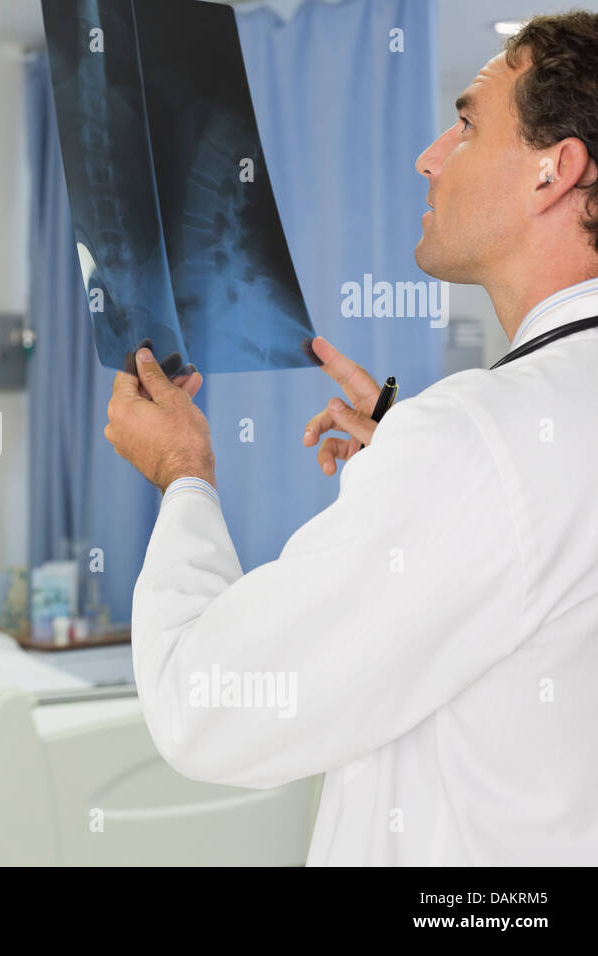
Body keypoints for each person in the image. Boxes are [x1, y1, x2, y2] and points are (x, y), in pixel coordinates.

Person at [104, 12, 598, 865]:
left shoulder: (481, 437)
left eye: (468, 122)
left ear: (556, 170)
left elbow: (209, 703)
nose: (430, 157)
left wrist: (183, 475)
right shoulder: (518, 426)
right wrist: (417, 458)